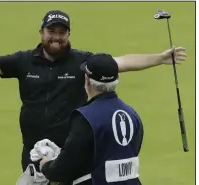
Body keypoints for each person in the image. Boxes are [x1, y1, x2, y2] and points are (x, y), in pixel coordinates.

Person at [0, 10, 185, 172]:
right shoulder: (23, 61)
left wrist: (159, 59)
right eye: (51, 31)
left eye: (62, 32)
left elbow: (121, 63)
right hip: (32, 152)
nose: (56, 37)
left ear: (68, 34)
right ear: (41, 32)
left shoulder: (82, 60)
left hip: (72, 151)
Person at [40, 53, 144, 185]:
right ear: (117, 78)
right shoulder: (132, 114)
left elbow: (64, 167)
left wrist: (46, 166)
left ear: (87, 81)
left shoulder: (85, 117)